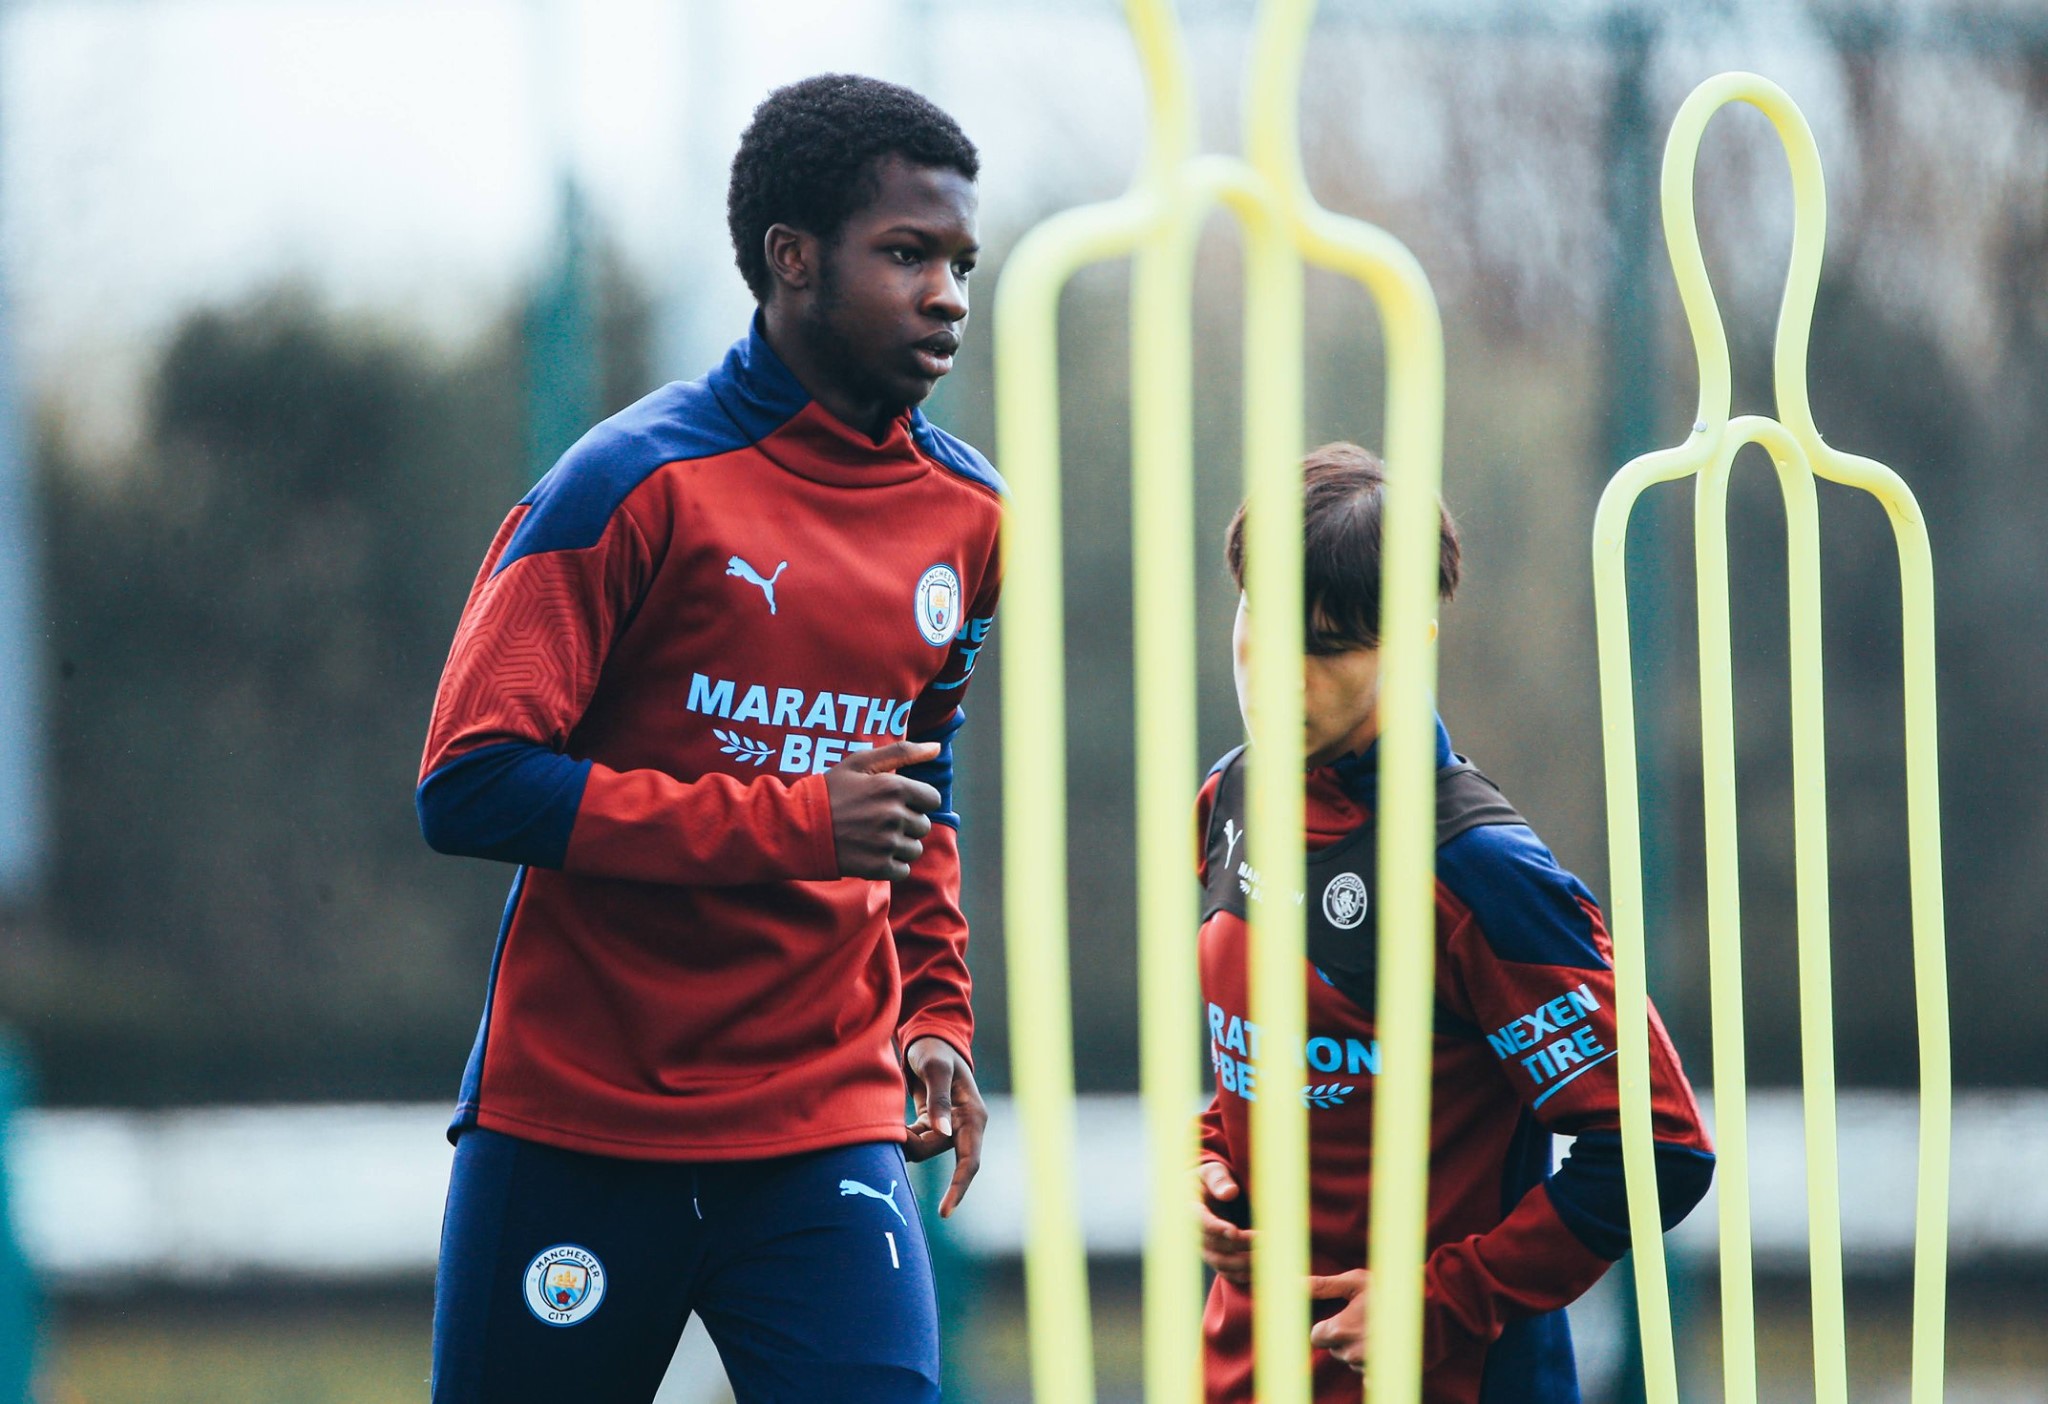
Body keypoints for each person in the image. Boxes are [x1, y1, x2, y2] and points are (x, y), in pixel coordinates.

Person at [417, 74, 1001, 1404]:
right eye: (906, 254)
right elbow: (468, 783)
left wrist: (939, 1014)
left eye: (962, 261)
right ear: (792, 260)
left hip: (823, 1127)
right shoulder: (630, 484)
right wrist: (797, 823)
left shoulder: (970, 517)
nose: (948, 296)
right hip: (580, 1122)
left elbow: (922, 784)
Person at [1192, 443, 1714, 1403]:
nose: (1278, 671)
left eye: (1330, 645)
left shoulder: (1480, 872)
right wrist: (1208, 1159)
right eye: (1261, 622)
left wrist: (1440, 1301)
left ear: (1414, 640)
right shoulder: (1231, 798)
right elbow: (1260, 1063)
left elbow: (1660, 1148)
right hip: (1242, 1371)